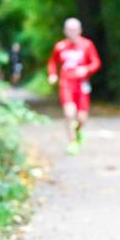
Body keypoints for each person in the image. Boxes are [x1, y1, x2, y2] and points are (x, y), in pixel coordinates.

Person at [47, 18, 101, 155]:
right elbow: (52, 62)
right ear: (65, 31)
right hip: (66, 84)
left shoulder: (87, 45)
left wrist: (87, 70)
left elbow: (96, 62)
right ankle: (72, 142)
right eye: (69, 30)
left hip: (82, 85)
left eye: (75, 29)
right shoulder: (60, 46)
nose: (72, 32)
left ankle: (78, 132)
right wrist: (52, 74)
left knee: (82, 118)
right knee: (69, 113)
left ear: (80, 30)